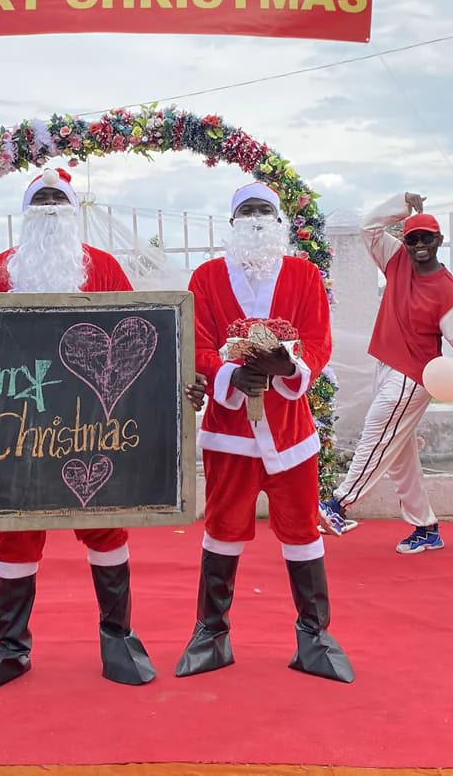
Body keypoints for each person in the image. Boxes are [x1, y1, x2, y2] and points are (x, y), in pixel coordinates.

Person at [0, 167, 204, 692]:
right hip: (16, 432)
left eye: (59, 198)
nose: (51, 207)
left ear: (74, 209)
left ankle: (118, 638)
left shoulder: (104, 268)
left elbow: (143, 345)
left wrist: (179, 388)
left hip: (92, 430)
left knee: (107, 525)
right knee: (16, 532)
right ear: (26, 212)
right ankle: (11, 648)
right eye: (41, 199)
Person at [175, 182, 353, 683]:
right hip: (229, 432)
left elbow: (317, 339)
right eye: (246, 211)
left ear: (279, 221)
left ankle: (314, 635)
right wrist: (231, 376)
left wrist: (288, 367)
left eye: (264, 211)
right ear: (233, 222)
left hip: (290, 434)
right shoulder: (207, 277)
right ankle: (211, 634)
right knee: (222, 529)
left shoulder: (304, 274)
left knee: (302, 531)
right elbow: (197, 343)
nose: (255, 219)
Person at [319, 192, 453, 553]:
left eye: (427, 238)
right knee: (398, 456)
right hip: (386, 366)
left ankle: (339, 505)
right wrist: (402, 205)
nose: (420, 245)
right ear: (404, 242)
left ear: (439, 240)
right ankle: (426, 528)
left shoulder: (446, 289)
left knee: (376, 433)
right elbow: (369, 227)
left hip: (414, 376)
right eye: (413, 239)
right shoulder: (397, 261)